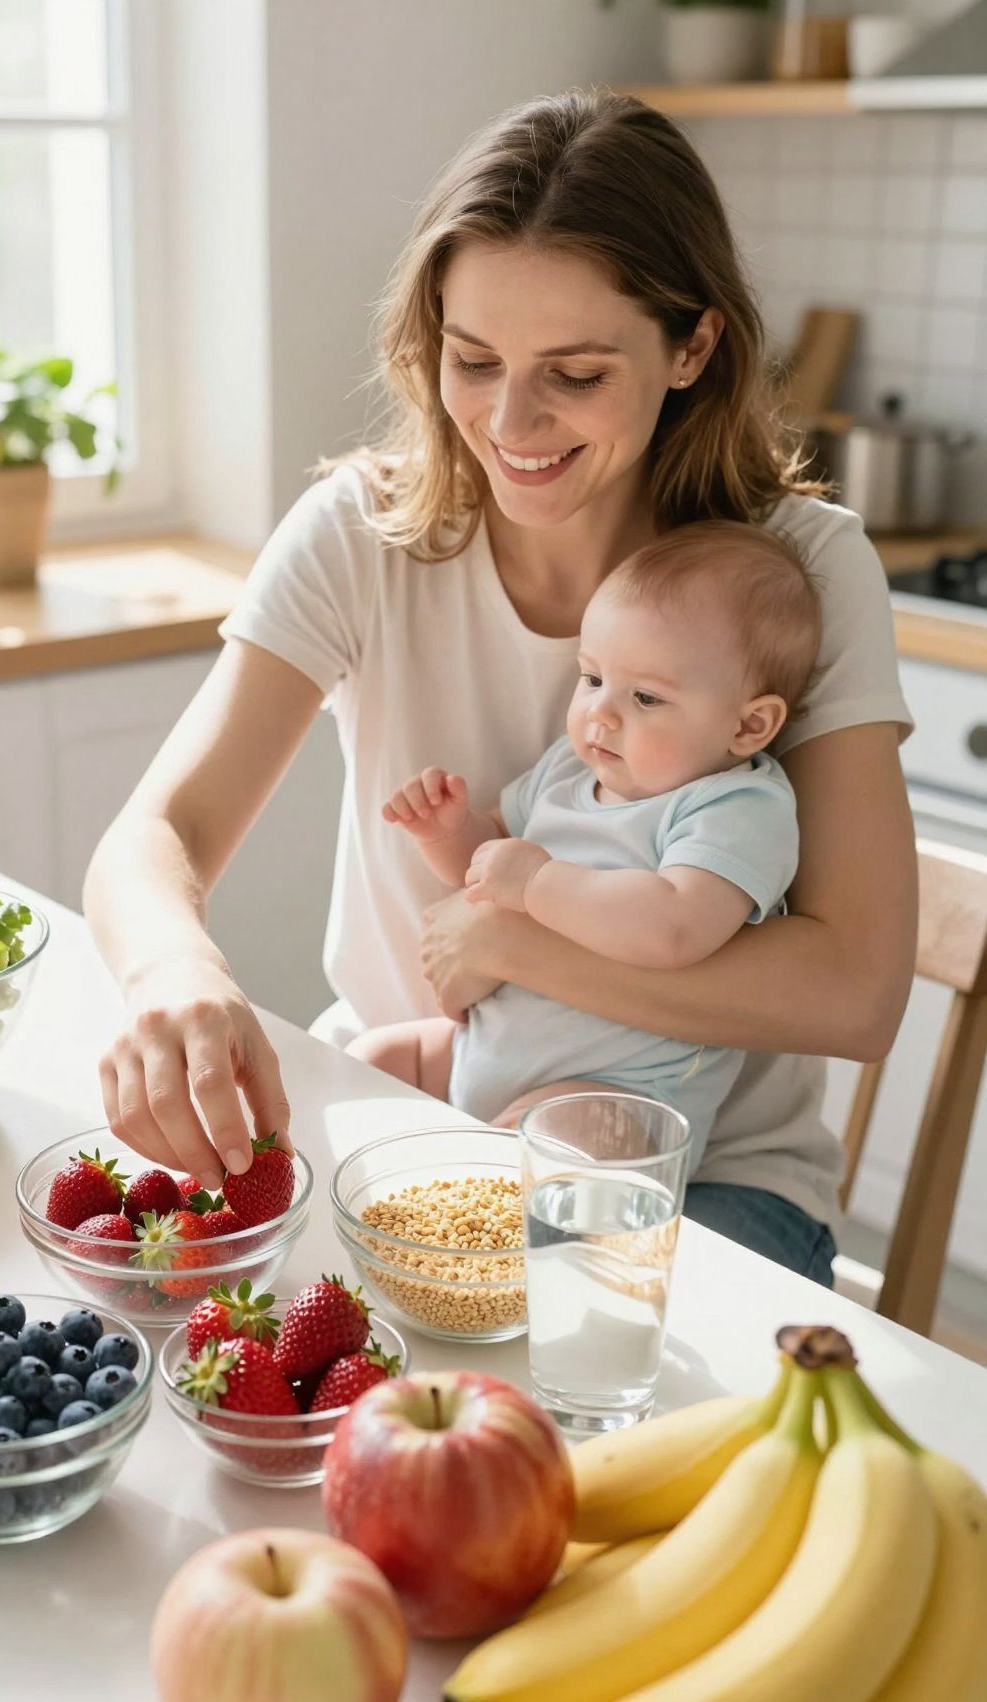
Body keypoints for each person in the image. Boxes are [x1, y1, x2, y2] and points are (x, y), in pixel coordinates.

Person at [83, 88, 915, 1286]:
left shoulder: (803, 570)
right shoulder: (362, 536)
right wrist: (175, 972)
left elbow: (854, 991)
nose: (509, 421)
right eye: (473, 360)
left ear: (694, 348)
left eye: (574, 374)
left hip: (707, 1178)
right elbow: (155, 835)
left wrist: (510, 941)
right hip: (412, 1100)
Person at [353, 520, 820, 1167]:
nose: (601, 712)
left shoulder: (733, 805)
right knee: (370, 1062)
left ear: (749, 724)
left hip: (616, 1100)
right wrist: (451, 831)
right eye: (592, 678)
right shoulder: (571, 771)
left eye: (646, 696)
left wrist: (539, 883)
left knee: (551, 1159)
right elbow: (488, 869)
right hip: (477, 1054)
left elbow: (674, 927)